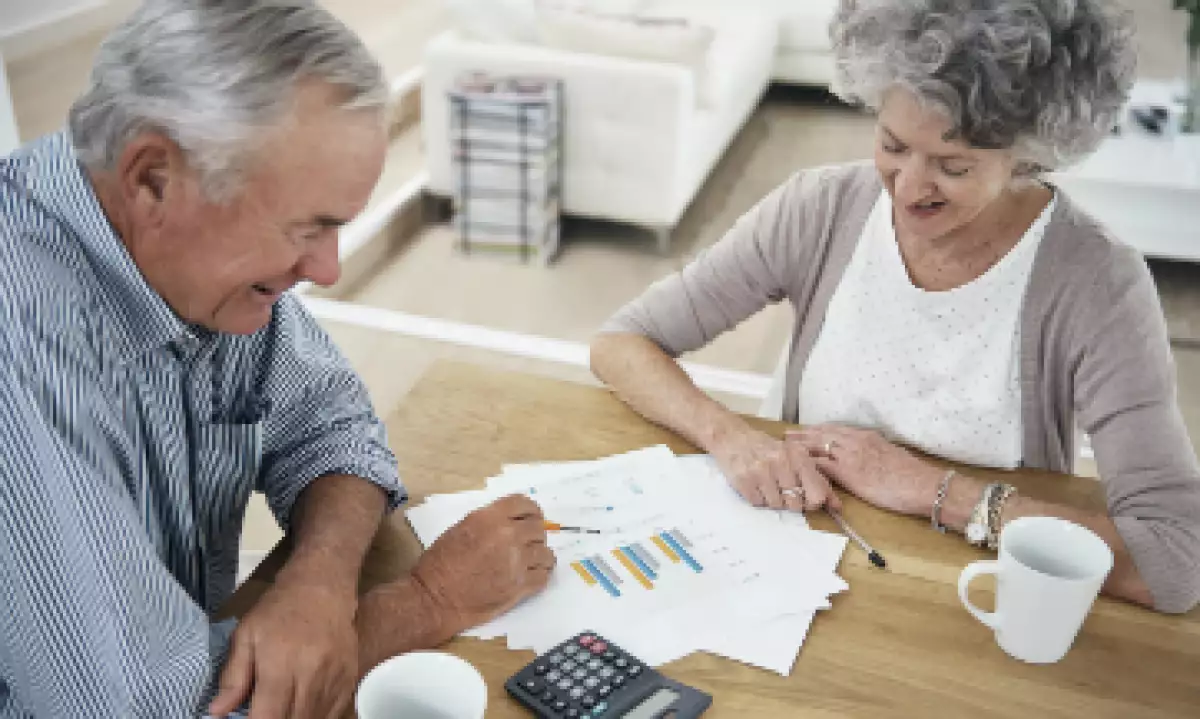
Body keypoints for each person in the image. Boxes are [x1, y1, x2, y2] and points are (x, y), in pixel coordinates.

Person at [0, 1, 554, 717]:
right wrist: (425, 601)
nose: (327, 269)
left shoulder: (198, 266)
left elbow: (336, 423)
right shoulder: (24, 346)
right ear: (152, 179)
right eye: (308, 227)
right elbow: (150, 709)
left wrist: (316, 584)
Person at [591, 0, 1200, 614]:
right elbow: (623, 342)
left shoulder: (1097, 285)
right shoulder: (820, 209)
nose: (908, 188)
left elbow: (1175, 560)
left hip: (977, 596)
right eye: (893, 144)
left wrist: (933, 492)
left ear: (1030, 151)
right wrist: (732, 439)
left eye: (953, 166)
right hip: (795, 568)